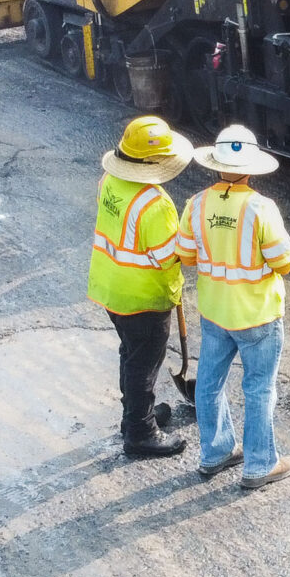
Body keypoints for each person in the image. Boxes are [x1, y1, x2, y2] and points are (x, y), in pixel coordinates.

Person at [176, 123, 290, 488]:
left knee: (209, 383)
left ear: (216, 164)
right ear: (250, 168)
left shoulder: (196, 204)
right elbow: (284, 263)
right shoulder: (261, 207)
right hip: (257, 315)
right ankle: (260, 466)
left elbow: (186, 257)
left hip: (215, 311)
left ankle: (215, 453)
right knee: (259, 389)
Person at [88, 116, 193, 458]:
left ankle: (134, 416)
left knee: (130, 354)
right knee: (143, 364)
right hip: (143, 298)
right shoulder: (155, 204)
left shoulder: (109, 180)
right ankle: (140, 432)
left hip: (111, 287)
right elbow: (168, 257)